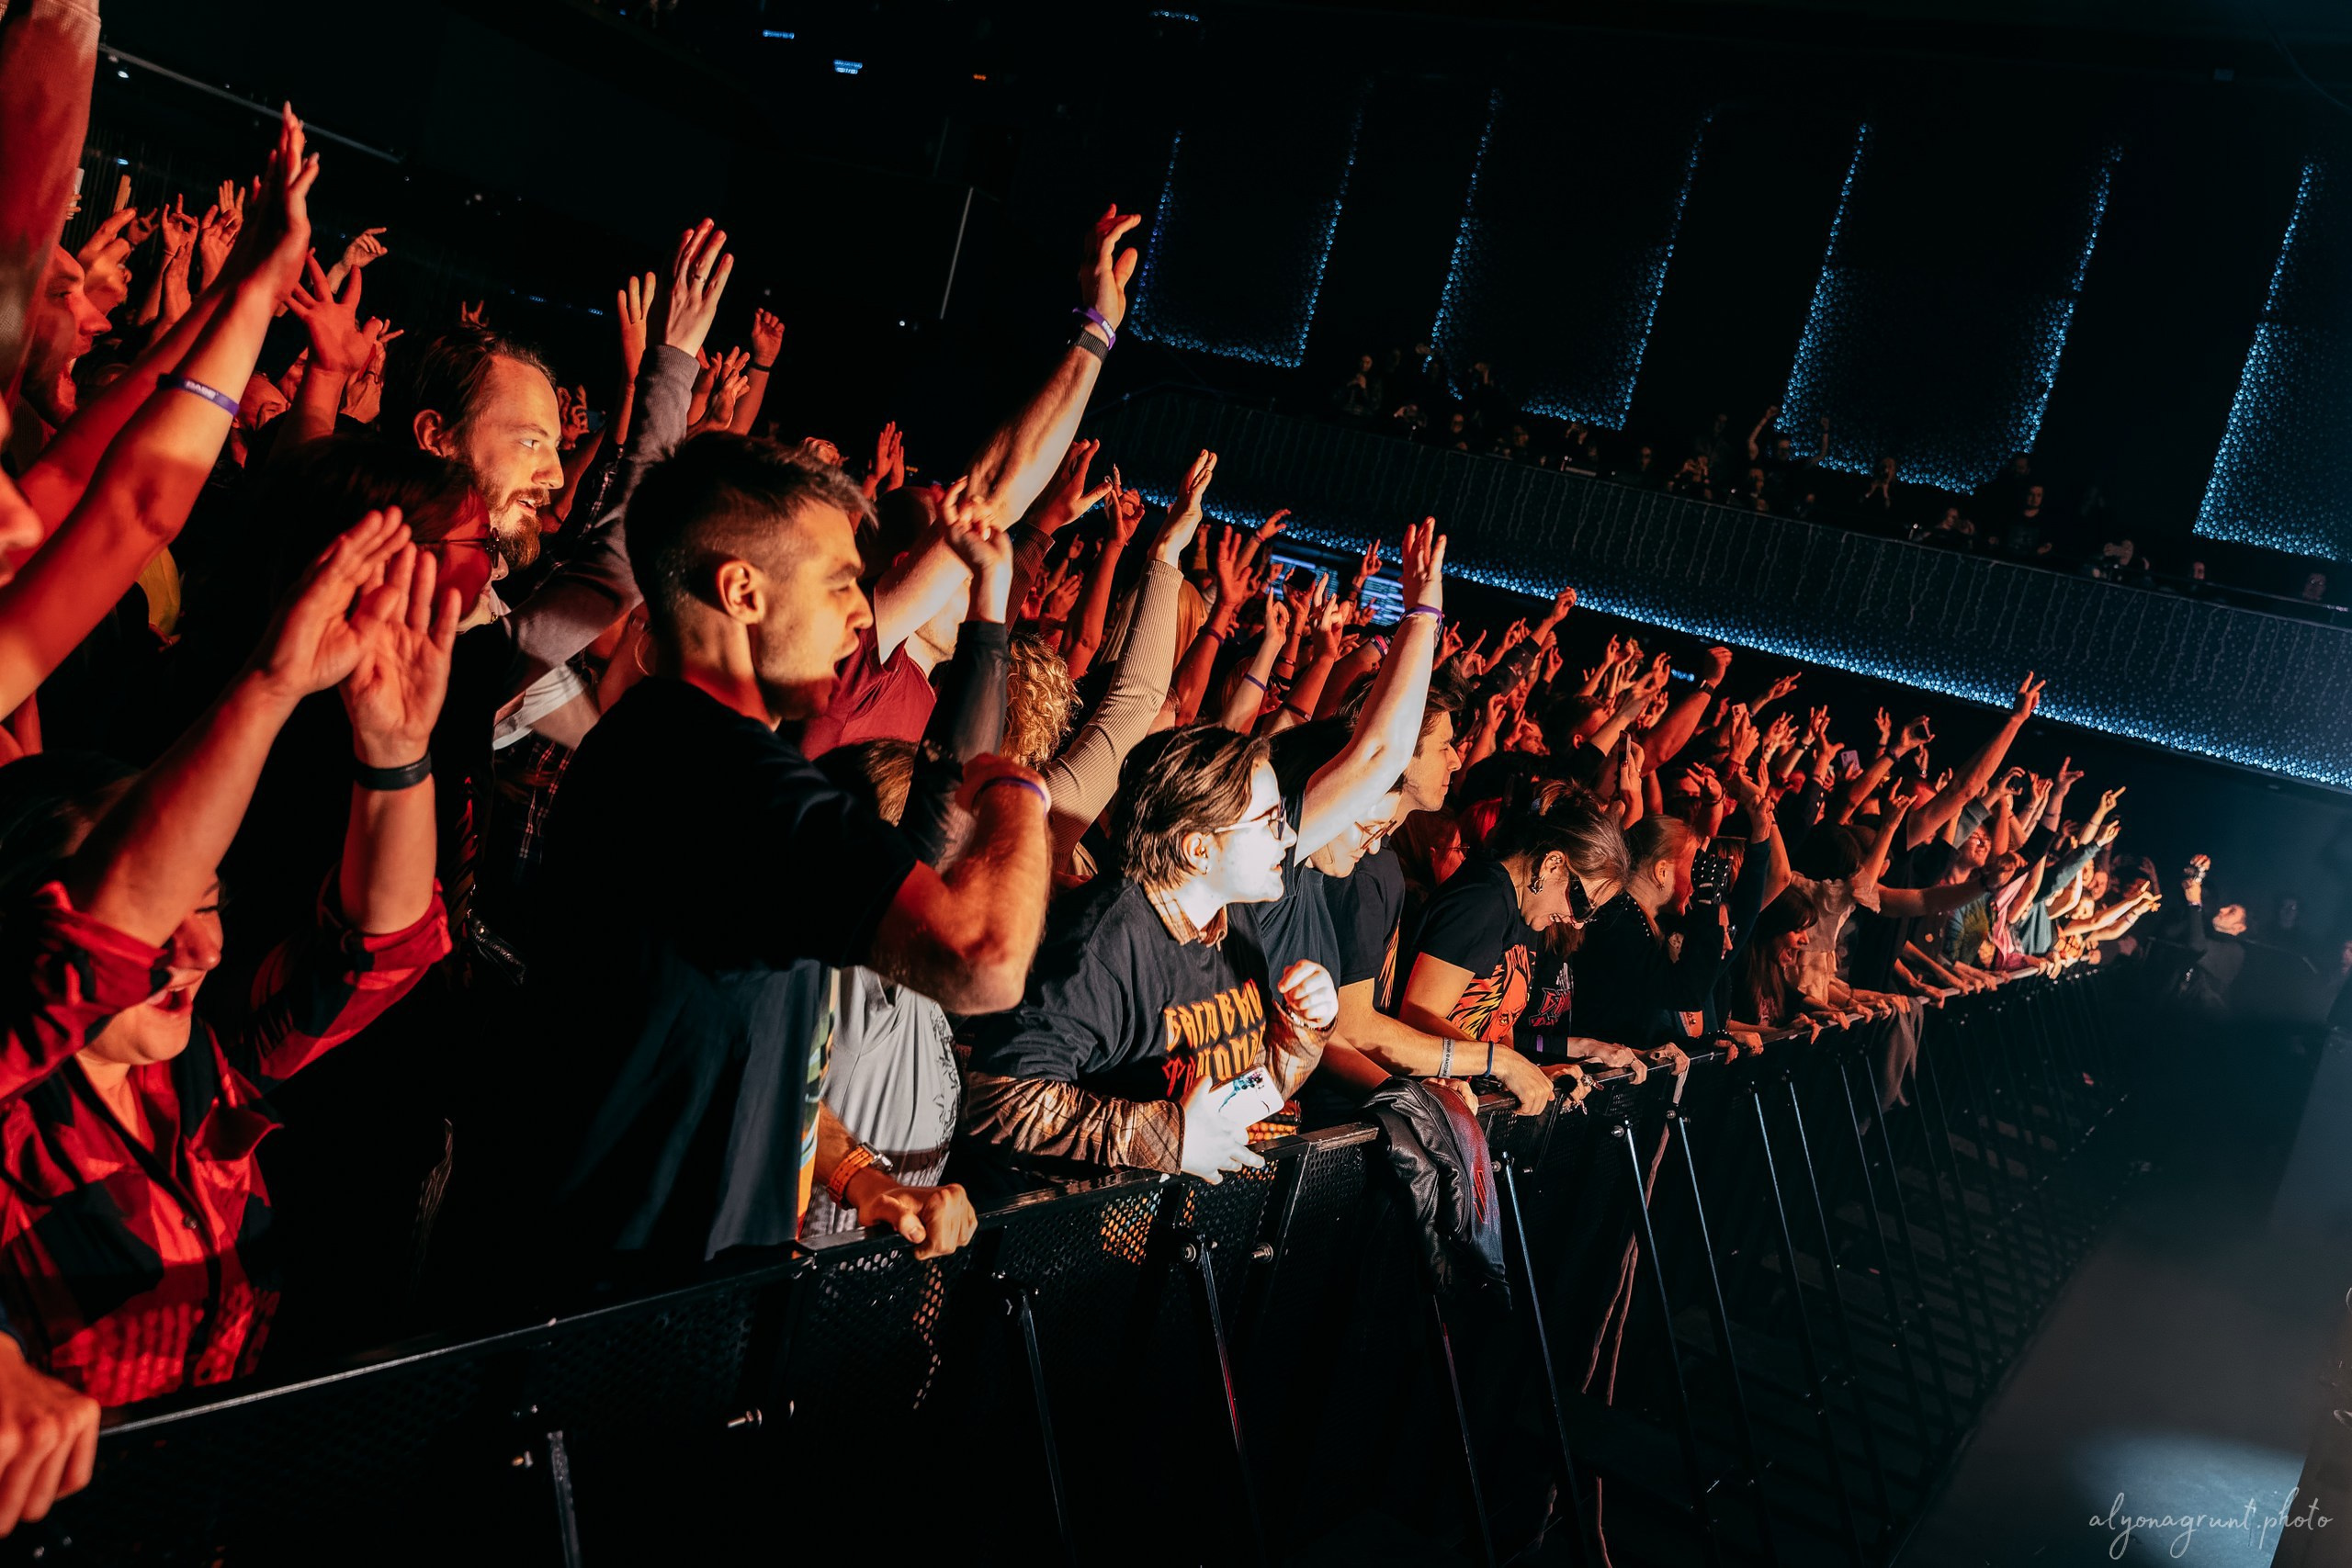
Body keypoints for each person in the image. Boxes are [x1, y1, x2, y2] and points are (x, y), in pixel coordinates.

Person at [492, 439, 1053, 1290]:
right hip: (641, 1311)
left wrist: (859, 1177)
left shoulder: (658, 747)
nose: (863, 614)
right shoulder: (734, 786)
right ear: (742, 590)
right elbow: (985, 959)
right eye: (840, 584)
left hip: (614, 1283)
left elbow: (729, 1042)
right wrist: (1017, 789)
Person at [0, 511, 453, 1406]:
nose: (201, 950)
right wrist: (271, 689)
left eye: (209, 906)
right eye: (164, 918)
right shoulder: (16, 1099)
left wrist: (395, 754)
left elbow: (376, 957)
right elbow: (99, 946)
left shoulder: (205, 1064)